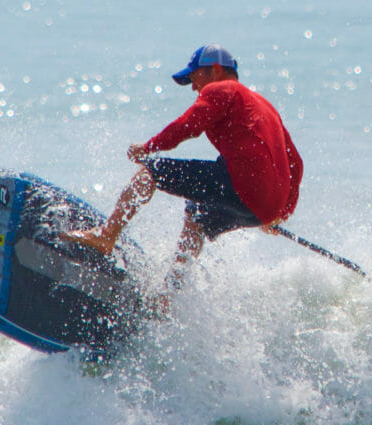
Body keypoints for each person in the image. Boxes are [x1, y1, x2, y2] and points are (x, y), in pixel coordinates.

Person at [63, 43, 303, 296]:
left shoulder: (221, 89)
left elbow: (188, 125)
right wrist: (279, 213)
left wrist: (149, 146)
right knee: (196, 215)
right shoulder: (266, 106)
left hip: (241, 186)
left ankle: (106, 235)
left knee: (151, 171)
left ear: (215, 70)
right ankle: (168, 295)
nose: (194, 87)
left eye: (194, 77)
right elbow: (295, 164)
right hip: (262, 209)